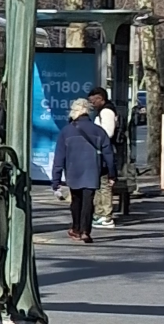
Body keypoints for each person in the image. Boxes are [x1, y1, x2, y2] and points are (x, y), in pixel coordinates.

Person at [51, 97, 116, 243]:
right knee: (88, 200)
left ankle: (76, 228)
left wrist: (55, 181)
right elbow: (109, 154)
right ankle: (86, 230)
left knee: (76, 200)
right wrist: (112, 174)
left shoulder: (66, 131)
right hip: (93, 170)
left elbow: (59, 158)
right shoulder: (99, 131)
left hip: (73, 170)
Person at [87, 86, 119, 227]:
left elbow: (108, 132)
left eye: (93, 102)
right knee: (100, 183)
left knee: (104, 184)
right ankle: (101, 213)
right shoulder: (105, 111)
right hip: (102, 150)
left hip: (104, 151)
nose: (92, 105)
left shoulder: (106, 112)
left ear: (100, 98)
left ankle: (106, 216)